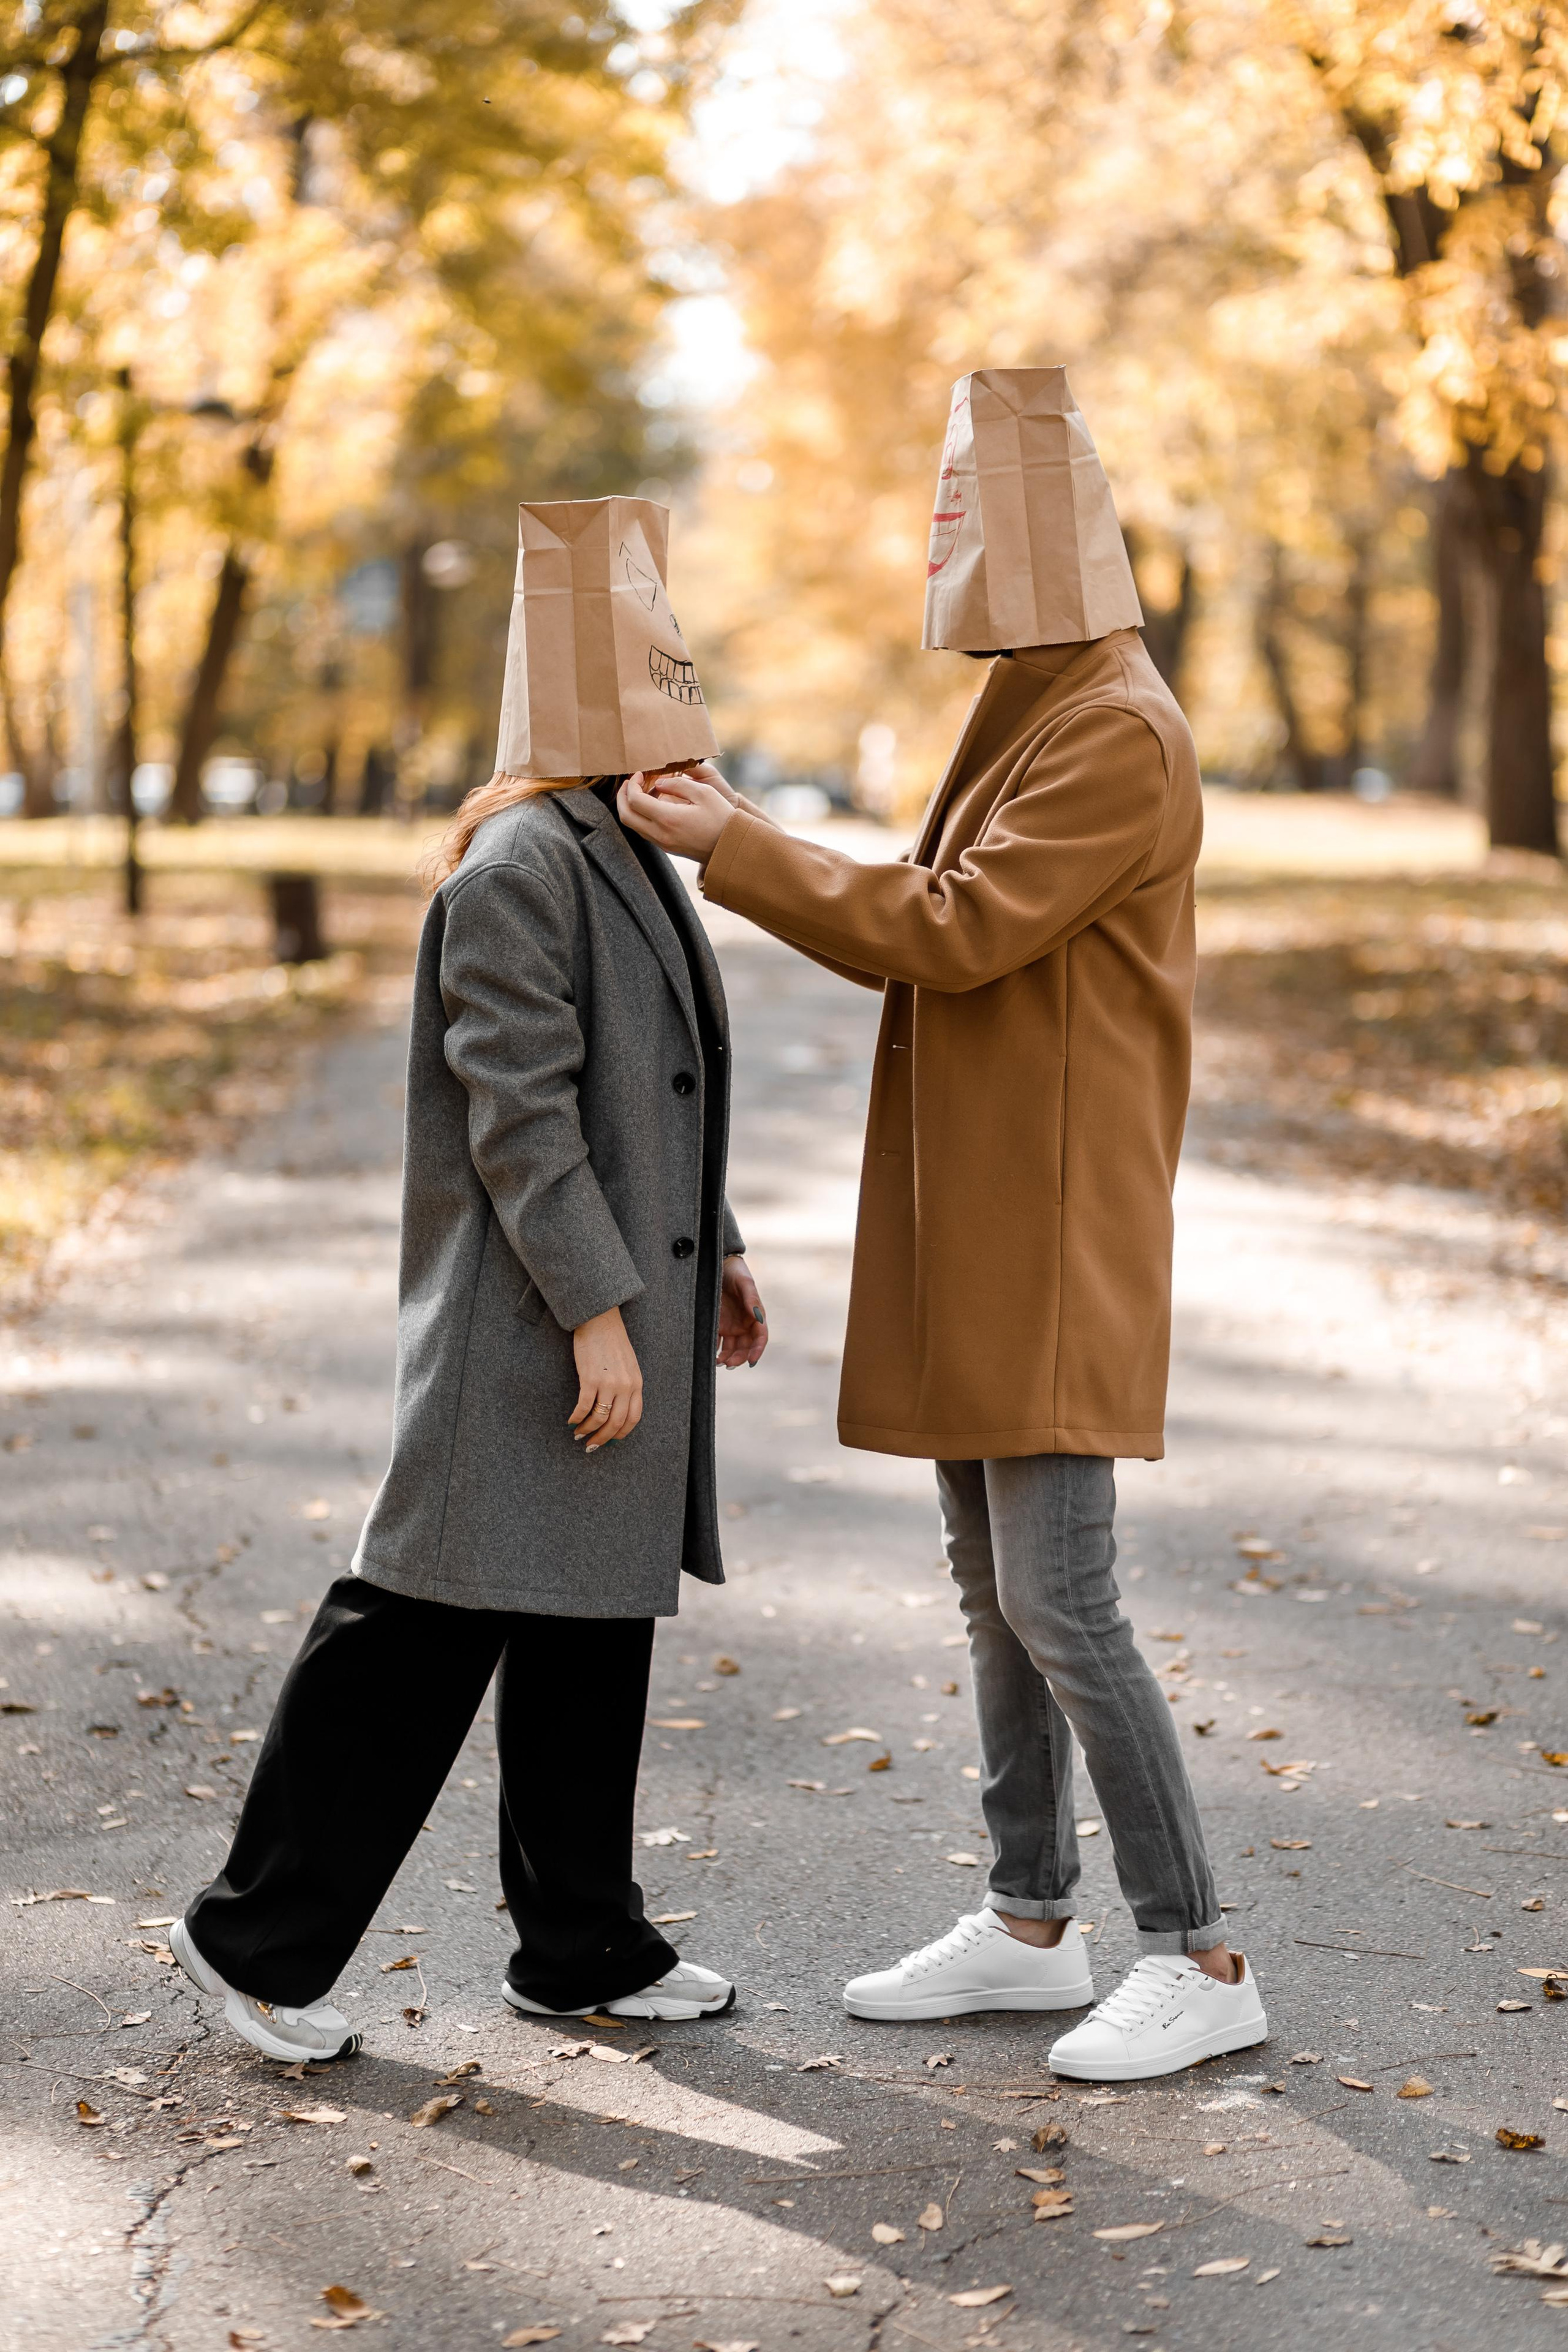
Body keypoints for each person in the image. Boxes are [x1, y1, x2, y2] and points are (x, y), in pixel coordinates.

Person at [619, 369, 1267, 2082]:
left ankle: (1197, 1947)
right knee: (994, 1587)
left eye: (971, 513)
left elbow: (960, 929)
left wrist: (737, 846)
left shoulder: (1114, 727)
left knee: (1062, 1593)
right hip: (992, 1208)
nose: (944, 541)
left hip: (1053, 1222)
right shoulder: (1044, 695)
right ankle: (1033, 1917)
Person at [172, 497, 767, 2063]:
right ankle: (250, 1944)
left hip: (602, 1311)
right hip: (527, 1328)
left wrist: (719, 1260)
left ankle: (581, 1947)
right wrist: (595, 1310)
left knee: (587, 1631)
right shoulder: (519, 864)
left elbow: (655, 1091)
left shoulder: (617, 847)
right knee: (414, 1631)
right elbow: (521, 1118)